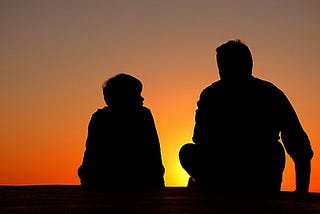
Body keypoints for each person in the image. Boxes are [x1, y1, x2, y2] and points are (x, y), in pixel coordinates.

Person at [179, 40, 313, 194]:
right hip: (253, 175)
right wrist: (302, 192)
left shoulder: (211, 94)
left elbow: (199, 138)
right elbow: (300, 146)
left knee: (188, 151)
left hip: (242, 176)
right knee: (189, 152)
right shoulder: (270, 92)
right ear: (250, 63)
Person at [78, 73, 165, 188]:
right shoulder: (143, 115)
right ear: (125, 97)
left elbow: (90, 155)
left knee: (83, 170)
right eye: (137, 94)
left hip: (111, 178)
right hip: (137, 179)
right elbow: (154, 152)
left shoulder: (98, 117)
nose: (142, 98)